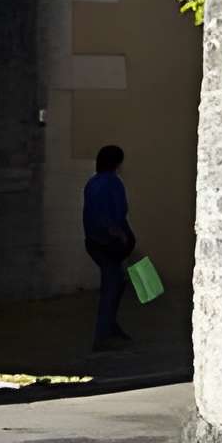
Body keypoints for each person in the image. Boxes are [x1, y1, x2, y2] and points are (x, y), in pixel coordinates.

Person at [84, 145, 135, 350]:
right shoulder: (113, 183)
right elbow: (114, 214)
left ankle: (110, 326)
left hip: (94, 242)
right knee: (112, 286)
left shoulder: (92, 182)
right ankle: (102, 334)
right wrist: (120, 235)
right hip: (108, 243)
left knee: (116, 282)